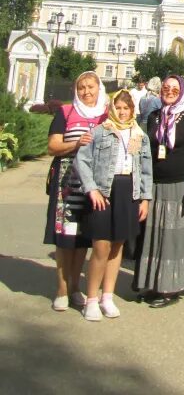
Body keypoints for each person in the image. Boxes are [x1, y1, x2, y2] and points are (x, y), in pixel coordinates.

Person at [74, 90, 152, 321]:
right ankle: (91, 298)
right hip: (105, 192)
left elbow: (146, 169)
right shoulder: (100, 131)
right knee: (101, 247)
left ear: (132, 110)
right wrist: (92, 189)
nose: (122, 111)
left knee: (118, 246)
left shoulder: (139, 135)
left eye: (126, 108)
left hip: (129, 191)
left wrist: (145, 198)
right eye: (118, 107)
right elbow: (82, 160)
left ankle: (107, 296)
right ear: (112, 108)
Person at [134, 75, 184, 308]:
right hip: (155, 184)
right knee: (154, 236)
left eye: (174, 88)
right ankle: (153, 283)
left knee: (172, 238)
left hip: (179, 185)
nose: (169, 91)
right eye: (166, 88)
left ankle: (170, 287)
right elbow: (144, 148)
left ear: (182, 91)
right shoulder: (154, 116)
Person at [44, 71, 109, 311]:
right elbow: (52, 146)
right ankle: (61, 288)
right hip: (67, 183)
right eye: (81, 87)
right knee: (64, 237)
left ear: (98, 88)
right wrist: (75, 143)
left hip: (92, 185)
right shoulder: (65, 112)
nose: (86, 92)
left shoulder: (105, 115)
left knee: (82, 238)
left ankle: (74, 287)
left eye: (91, 87)